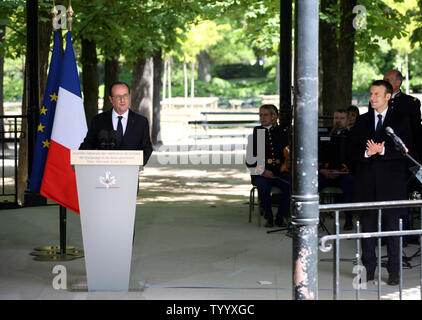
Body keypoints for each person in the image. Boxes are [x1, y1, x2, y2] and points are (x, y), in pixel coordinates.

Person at [349, 80, 412, 286]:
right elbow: (352, 150)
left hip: (392, 185)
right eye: (370, 94)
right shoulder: (362, 120)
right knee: (367, 231)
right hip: (367, 184)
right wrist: (367, 152)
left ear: (388, 96)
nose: (372, 98)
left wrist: (382, 150)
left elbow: (406, 150)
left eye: (377, 94)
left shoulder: (401, 120)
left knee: (393, 231)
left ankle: (394, 272)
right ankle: (367, 271)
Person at [79, 81, 153, 165]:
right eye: (118, 96)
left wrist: (137, 164)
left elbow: (147, 147)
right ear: (111, 99)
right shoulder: (98, 120)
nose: (122, 100)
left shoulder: (141, 121)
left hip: (130, 173)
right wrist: (78, 158)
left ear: (129, 96)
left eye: (125, 95)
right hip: (104, 175)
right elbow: (88, 144)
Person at [246, 104, 291, 228]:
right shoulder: (257, 132)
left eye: (265, 115)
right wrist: (262, 171)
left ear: (274, 116)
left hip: (279, 171)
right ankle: (268, 216)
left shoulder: (282, 132)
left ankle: (281, 216)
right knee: (263, 186)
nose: (262, 118)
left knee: (290, 185)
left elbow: (289, 153)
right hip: (262, 172)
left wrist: (285, 165)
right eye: (261, 115)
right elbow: (250, 160)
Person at [319, 109, 354, 230]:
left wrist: (340, 171)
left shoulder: (352, 136)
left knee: (350, 182)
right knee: (309, 183)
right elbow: (319, 155)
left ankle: (348, 219)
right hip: (326, 173)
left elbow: (353, 159)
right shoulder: (325, 134)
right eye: (336, 118)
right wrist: (321, 169)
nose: (338, 121)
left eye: (341, 118)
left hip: (343, 173)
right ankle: (313, 218)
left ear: (348, 120)